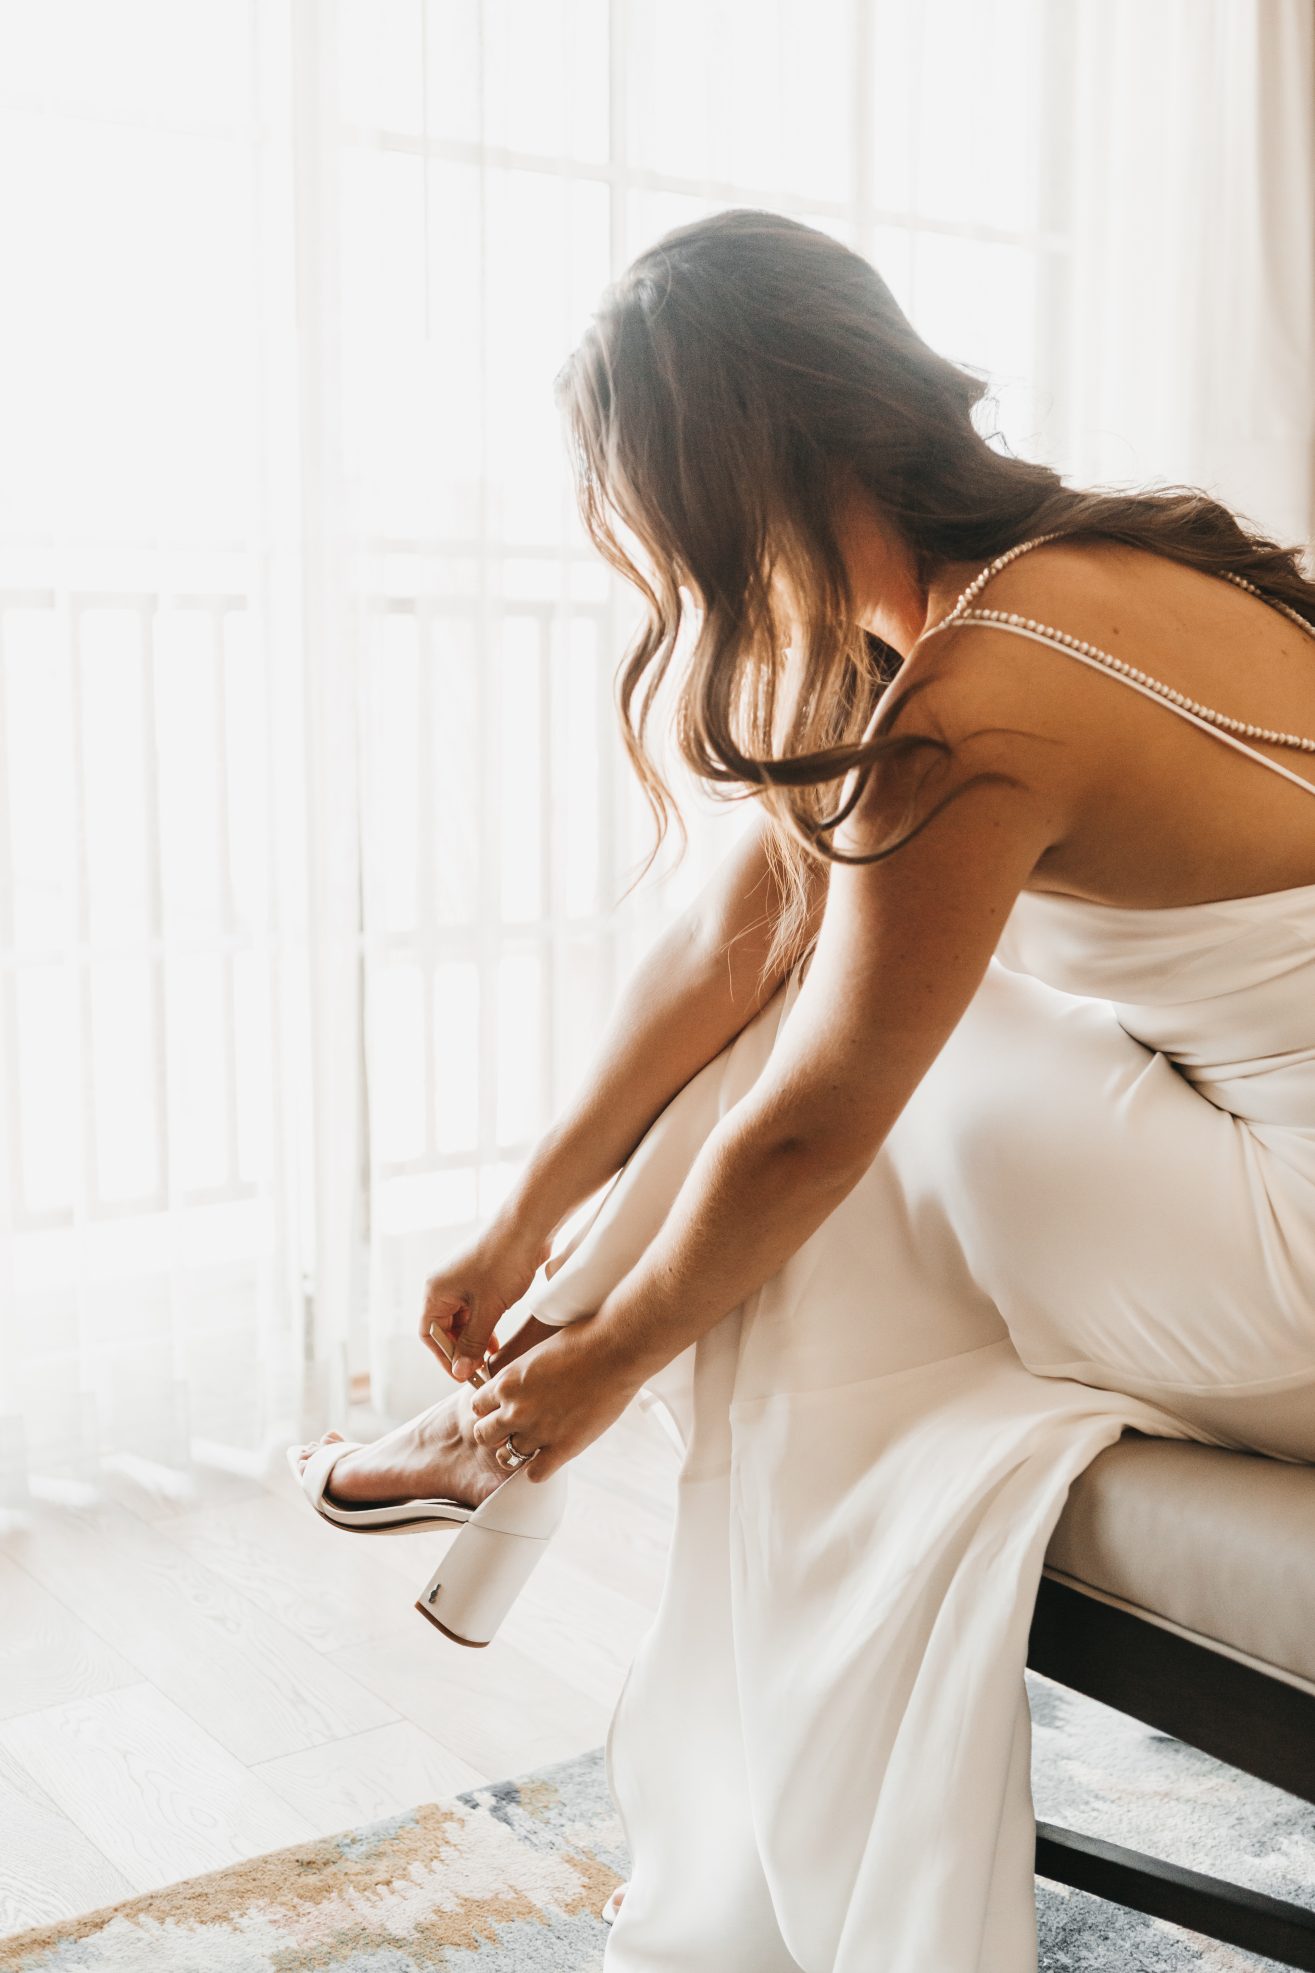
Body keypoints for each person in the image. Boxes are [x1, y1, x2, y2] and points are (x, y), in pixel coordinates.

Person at [290, 209, 1315, 1970]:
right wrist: (528, 1212)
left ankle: (528, 1452)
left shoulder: (982, 692)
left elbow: (814, 1109)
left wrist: (602, 1362)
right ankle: (524, 1434)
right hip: (1259, 1173)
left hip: (1296, 1262)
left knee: (830, 1115)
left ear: (718, 475)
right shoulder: (1072, 578)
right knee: (816, 988)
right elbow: (750, 909)